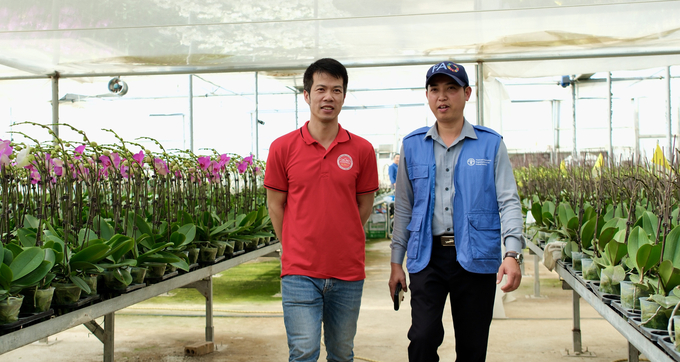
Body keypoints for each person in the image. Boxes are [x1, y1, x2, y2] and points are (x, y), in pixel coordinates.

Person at [388, 61, 525, 362]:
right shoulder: (412, 146)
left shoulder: (490, 145)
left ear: (467, 93)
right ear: (427, 96)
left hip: (477, 257)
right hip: (427, 256)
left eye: (451, 88)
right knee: (422, 339)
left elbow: (509, 201)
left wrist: (512, 254)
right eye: (434, 89)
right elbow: (404, 207)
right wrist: (396, 262)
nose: (442, 97)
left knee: (472, 347)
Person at [265, 58, 379, 362]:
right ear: (306, 95)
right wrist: (292, 243)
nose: (328, 97)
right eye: (321, 89)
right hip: (299, 270)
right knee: (303, 352)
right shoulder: (282, 147)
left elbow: (363, 205)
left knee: (342, 353)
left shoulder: (362, 150)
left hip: (347, 270)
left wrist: (342, 233)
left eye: (337, 90)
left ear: (343, 96)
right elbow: (275, 204)